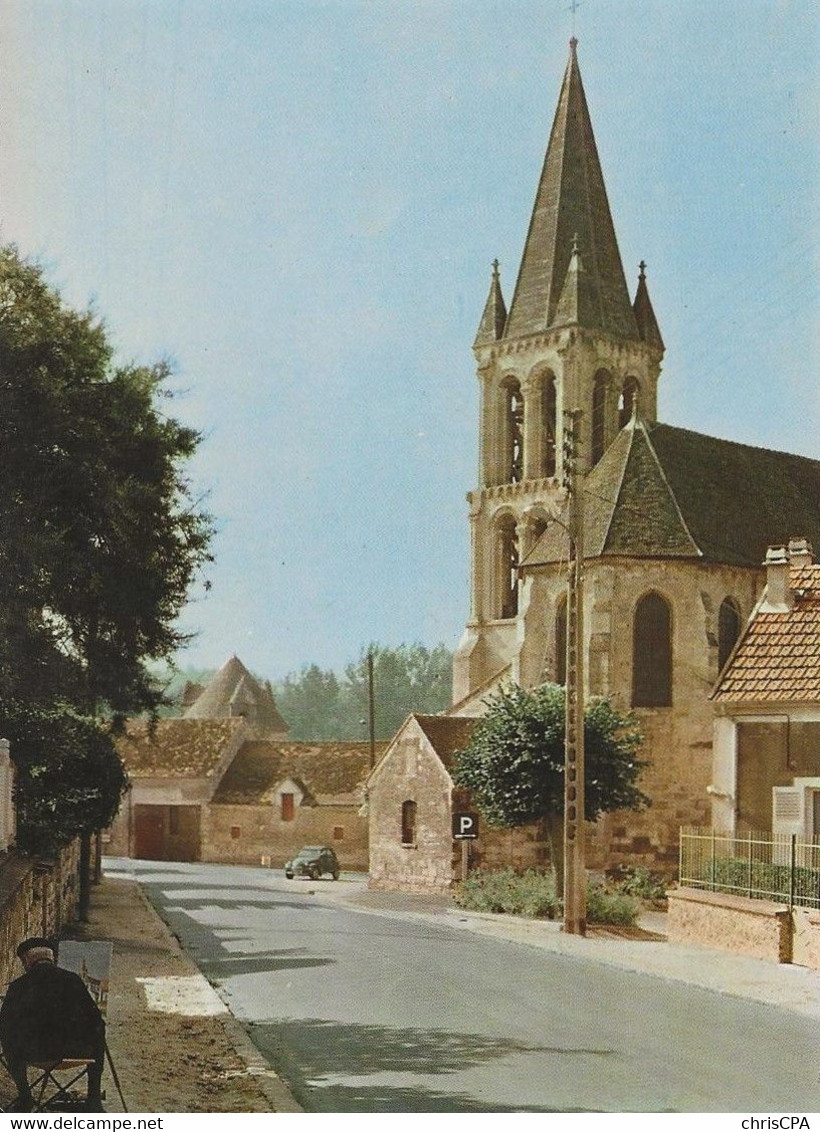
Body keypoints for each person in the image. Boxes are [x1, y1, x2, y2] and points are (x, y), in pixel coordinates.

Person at [0, 937, 106, 1111]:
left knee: (8, 1034)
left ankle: (25, 1098)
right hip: (77, 1051)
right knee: (99, 1029)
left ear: (27, 961)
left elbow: (6, 1026)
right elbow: (96, 1021)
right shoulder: (73, 980)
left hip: (36, 1053)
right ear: (52, 959)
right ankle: (94, 1099)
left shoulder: (19, 986)